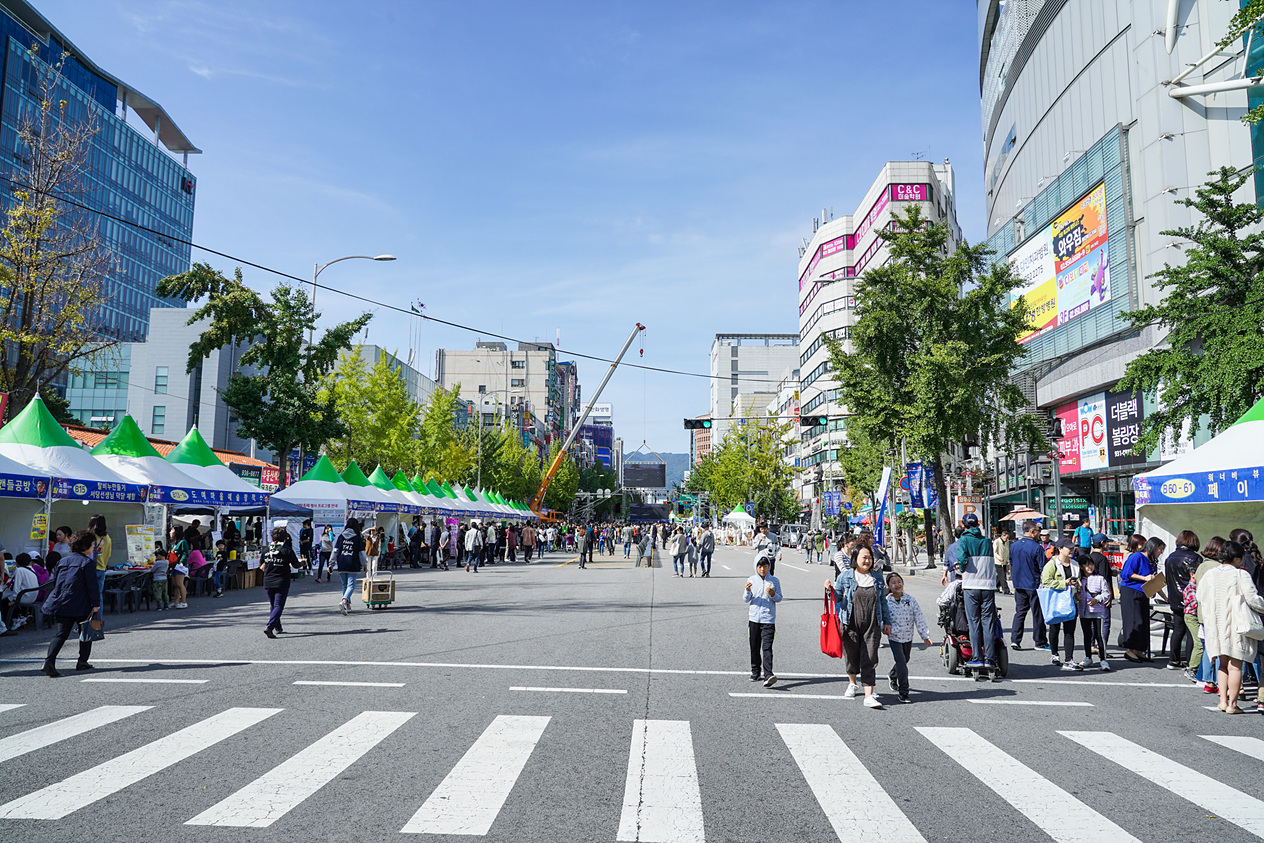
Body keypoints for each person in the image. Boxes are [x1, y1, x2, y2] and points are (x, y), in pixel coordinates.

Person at [1198, 540, 1264, 714]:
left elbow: (1200, 596)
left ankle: (1222, 701)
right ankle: (1233, 705)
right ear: (1237, 558)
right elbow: (1252, 598)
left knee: (1222, 664)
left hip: (1215, 626)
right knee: (1235, 665)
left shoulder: (1209, 574)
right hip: (1235, 625)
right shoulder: (1240, 575)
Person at [830, 545, 892, 708]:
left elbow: (883, 602)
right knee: (851, 655)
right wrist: (829, 589)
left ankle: (868, 695)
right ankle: (852, 682)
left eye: (869, 557)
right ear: (855, 559)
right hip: (850, 622)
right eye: (864, 557)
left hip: (873, 623)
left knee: (870, 657)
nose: (867, 560)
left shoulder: (877, 578)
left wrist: (887, 622)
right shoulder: (845, 576)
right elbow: (837, 596)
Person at [40, 529, 100, 677]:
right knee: (86, 632)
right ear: (85, 546)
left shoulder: (63, 560)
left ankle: (49, 661)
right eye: (92, 545)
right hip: (81, 602)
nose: (93, 548)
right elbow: (92, 586)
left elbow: (56, 582)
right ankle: (82, 661)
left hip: (61, 601)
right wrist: (96, 603)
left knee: (61, 634)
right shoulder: (88, 563)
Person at [885, 572, 932, 703]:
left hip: (907, 636)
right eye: (893, 582)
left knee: (905, 659)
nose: (897, 585)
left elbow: (919, 617)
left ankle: (892, 675)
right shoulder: (886, 601)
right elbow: (881, 617)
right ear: (888, 585)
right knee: (901, 662)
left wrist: (925, 636)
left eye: (899, 581)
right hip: (894, 637)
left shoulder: (910, 600)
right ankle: (904, 692)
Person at [1119, 534, 1162, 662]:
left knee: (1143, 622)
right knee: (1134, 621)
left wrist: (1163, 596)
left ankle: (1139, 649)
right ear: (1153, 547)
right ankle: (1130, 650)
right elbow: (1126, 573)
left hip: (1144, 593)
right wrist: (1145, 578)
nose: (1160, 552)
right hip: (1131, 591)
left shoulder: (1151, 561)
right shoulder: (1136, 556)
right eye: (1159, 549)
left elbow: (1154, 580)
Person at [1163, 530, 1201, 671]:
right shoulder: (1195, 558)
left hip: (1175, 599)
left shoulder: (1170, 557)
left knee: (1178, 630)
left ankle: (1174, 660)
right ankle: (1191, 662)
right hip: (1190, 599)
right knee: (1192, 631)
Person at [1042, 539, 1081, 670]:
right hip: (1056, 602)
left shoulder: (1075, 564)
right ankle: (1054, 654)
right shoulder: (1052, 564)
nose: (1071, 550)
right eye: (1068, 548)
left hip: (1071, 601)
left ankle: (1069, 659)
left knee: (1070, 632)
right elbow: (1045, 582)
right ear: (1060, 549)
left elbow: (1079, 581)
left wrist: (1077, 589)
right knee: (1054, 629)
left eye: (1072, 547)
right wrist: (1064, 583)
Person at [1010, 520, 1049, 651]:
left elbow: (1011, 562)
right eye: (1038, 531)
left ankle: (1015, 640)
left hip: (1018, 583)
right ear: (1032, 532)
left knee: (1020, 612)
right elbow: (1043, 567)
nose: (1039, 534)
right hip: (1033, 584)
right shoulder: (1036, 547)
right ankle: (1040, 641)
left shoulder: (1014, 546)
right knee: (1037, 613)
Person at [745, 552, 782, 688]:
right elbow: (745, 599)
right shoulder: (751, 579)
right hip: (754, 619)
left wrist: (773, 594)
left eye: (765, 566)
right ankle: (755, 671)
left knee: (767, 647)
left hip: (768, 619)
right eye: (760, 566)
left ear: (769, 567)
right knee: (754, 646)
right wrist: (747, 590)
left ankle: (768, 674)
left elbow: (779, 598)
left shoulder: (774, 581)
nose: (762, 569)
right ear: (756, 567)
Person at [261, 526, 298, 638]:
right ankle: (270, 627)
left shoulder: (267, 550)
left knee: (273, 605)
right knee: (278, 606)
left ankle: (278, 627)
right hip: (282, 581)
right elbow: (296, 564)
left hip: (268, 580)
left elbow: (261, 565)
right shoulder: (286, 550)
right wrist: (303, 563)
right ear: (285, 538)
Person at [1078, 555, 1110, 671]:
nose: (1089, 567)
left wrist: (1097, 599)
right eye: (1086, 565)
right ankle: (1088, 657)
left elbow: (1106, 594)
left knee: (1098, 635)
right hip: (1084, 611)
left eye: (1091, 564)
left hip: (1097, 611)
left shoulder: (1100, 579)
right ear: (1081, 567)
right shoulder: (1079, 580)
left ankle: (1103, 659)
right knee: (1087, 635)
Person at [1088, 533, 1115, 658]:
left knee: (1093, 622)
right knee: (1105, 622)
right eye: (1107, 542)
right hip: (1101, 594)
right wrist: (1109, 594)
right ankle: (1102, 647)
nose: (1108, 544)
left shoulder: (1089, 557)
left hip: (1091, 593)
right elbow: (1104, 578)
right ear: (1103, 543)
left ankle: (1092, 645)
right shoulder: (1102, 559)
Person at [334, 517, 367, 615]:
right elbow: (362, 554)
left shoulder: (340, 537)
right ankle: (344, 601)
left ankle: (347, 605)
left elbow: (335, 551)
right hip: (353, 563)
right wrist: (365, 565)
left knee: (345, 585)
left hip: (341, 563)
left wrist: (331, 564)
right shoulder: (357, 538)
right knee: (351, 586)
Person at [1, 553, 40, 634]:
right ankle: (18, 617)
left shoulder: (19, 570)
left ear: (17, 563)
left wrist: (14, 600)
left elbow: (16, 587)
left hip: (24, 596)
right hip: (33, 596)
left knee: (4, 602)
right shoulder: (31, 569)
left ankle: (11, 621)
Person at [88, 513, 111, 609]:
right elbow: (108, 554)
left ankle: (89, 621)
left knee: (89, 597)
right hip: (102, 569)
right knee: (98, 597)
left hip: (91, 569)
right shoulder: (108, 538)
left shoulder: (91, 537)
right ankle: (97, 621)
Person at [168, 525, 190, 609]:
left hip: (180, 565)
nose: (170, 533)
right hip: (173, 565)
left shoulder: (183, 542)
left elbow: (185, 553)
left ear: (176, 532)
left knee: (179, 583)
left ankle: (184, 601)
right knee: (175, 584)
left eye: (172, 531)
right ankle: (176, 602)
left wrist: (182, 562)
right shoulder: (174, 543)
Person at [150, 545, 170, 610]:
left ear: (159, 555)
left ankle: (159, 606)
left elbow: (152, 570)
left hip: (157, 579)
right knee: (165, 593)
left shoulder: (158, 563)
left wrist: (154, 563)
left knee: (158, 593)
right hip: (164, 579)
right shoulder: (167, 562)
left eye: (156, 555)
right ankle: (166, 605)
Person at [994, 528, 1012, 595]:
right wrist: (999, 558)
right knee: (1002, 576)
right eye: (1006, 537)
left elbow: (1007, 551)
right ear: (1002, 536)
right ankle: (1006, 589)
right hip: (998, 561)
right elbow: (994, 552)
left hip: (1004, 561)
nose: (1006, 539)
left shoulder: (1007, 542)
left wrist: (1007, 560)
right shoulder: (997, 541)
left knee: (1001, 575)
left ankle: (996, 586)